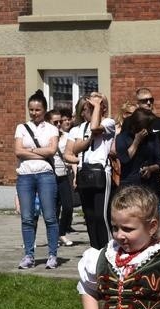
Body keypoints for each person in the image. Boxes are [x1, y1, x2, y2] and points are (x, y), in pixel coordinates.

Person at [15, 89, 59, 269]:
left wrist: (30, 152)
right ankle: (28, 255)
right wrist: (40, 152)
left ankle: (52, 255)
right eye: (31, 109)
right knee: (27, 217)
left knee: (49, 216)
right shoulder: (21, 127)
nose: (34, 113)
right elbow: (18, 151)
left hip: (45, 174)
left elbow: (52, 150)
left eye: (37, 110)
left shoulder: (51, 128)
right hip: (25, 175)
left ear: (44, 110)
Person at [66, 92, 116, 249]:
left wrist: (97, 107)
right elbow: (74, 149)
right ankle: (95, 249)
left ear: (101, 108)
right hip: (85, 173)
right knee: (89, 216)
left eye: (90, 108)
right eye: (86, 108)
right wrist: (89, 139)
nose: (84, 112)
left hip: (101, 173)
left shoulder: (108, 122)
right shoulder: (79, 128)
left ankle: (108, 249)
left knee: (101, 216)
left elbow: (95, 127)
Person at [115, 108, 160, 197]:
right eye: (147, 126)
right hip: (129, 186)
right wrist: (136, 141)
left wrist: (150, 168)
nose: (150, 129)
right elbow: (124, 159)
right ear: (137, 126)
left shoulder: (152, 138)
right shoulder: (122, 138)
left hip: (150, 186)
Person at [46, 108, 75, 248]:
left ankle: (61, 232)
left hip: (63, 175)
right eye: (55, 122)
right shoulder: (44, 137)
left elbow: (72, 154)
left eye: (60, 121)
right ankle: (55, 236)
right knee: (54, 208)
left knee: (68, 206)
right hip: (50, 175)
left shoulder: (66, 136)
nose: (58, 124)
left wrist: (74, 172)